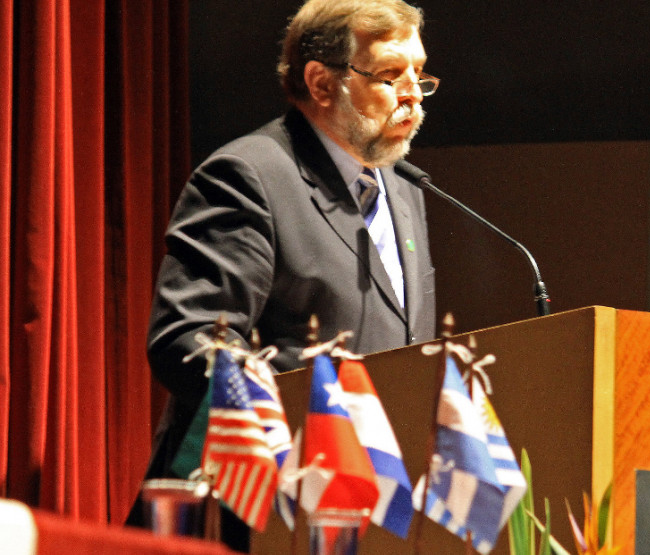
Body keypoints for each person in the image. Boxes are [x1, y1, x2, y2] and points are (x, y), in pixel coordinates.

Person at [129, 0, 438, 550]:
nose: (412, 92)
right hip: (264, 510)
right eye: (391, 75)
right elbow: (188, 339)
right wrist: (284, 415)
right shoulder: (249, 175)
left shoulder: (404, 188)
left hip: (376, 510)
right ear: (321, 83)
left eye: (420, 74)